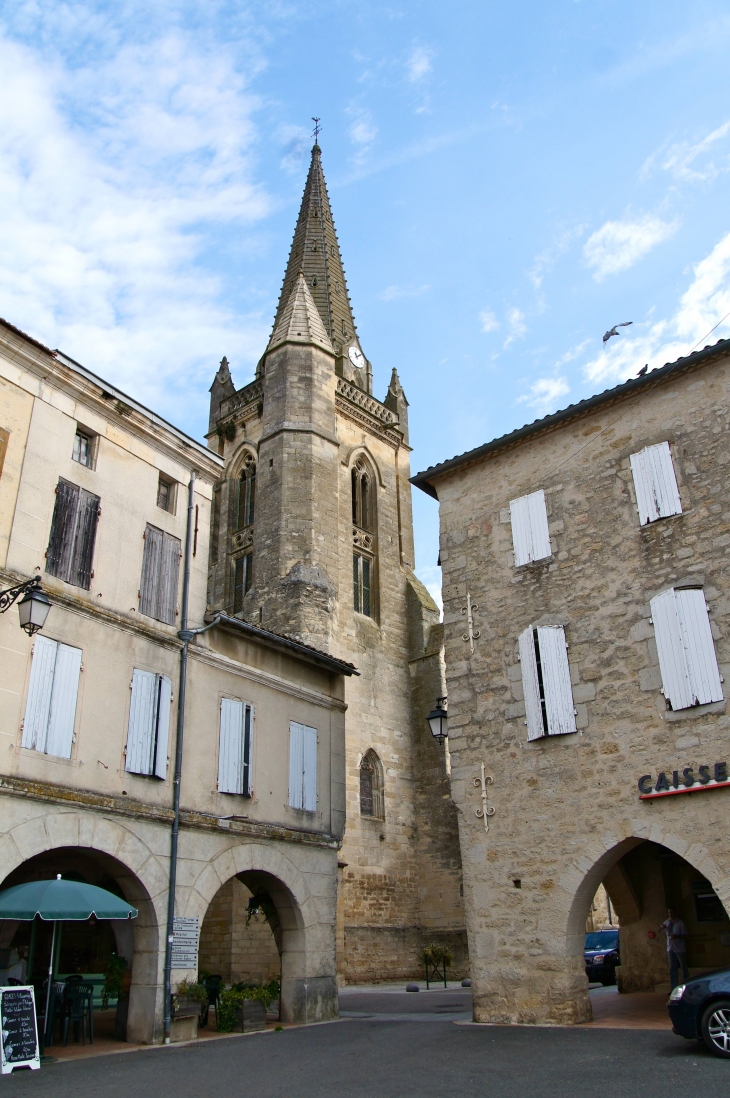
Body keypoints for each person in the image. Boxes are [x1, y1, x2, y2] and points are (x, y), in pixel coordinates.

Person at [660, 907, 689, 989]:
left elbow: (686, 935)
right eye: (669, 913)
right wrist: (661, 926)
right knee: (672, 968)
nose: (670, 914)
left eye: (672, 912)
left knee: (683, 967)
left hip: (679, 948)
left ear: (675, 913)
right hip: (670, 948)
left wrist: (677, 936)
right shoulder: (667, 922)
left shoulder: (680, 923)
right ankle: (673, 987)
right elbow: (660, 930)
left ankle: (686, 985)